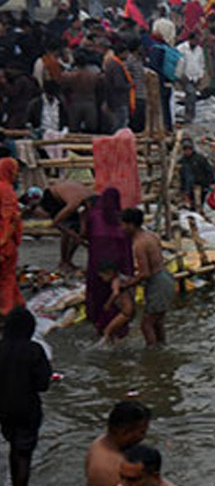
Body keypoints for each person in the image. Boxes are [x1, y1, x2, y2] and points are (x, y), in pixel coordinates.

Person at [0, 308, 52, 486]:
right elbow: (43, 385)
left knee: (13, 443)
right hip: (27, 408)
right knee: (22, 453)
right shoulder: (34, 350)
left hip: (3, 407)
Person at [83, 187, 132, 337]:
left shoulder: (93, 216)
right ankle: (115, 331)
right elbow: (126, 247)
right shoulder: (121, 220)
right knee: (117, 300)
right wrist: (128, 271)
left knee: (98, 296)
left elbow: (86, 235)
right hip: (116, 268)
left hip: (97, 266)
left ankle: (100, 327)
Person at [121, 208, 172, 347]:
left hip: (157, 282)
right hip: (165, 277)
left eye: (123, 224)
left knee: (146, 324)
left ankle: (153, 354)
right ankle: (162, 346)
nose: (122, 228)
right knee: (158, 320)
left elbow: (145, 273)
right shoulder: (151, 235)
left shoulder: (139, 244)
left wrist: (127, 284)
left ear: (131, 225)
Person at [22, 179, 93, 272]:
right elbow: (58, 223)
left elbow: (83, 221)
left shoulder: (89, 199)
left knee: (76, 230)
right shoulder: (75, 202)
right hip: (55, 198)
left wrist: (81, 236)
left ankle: (68, 261)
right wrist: (80, 239)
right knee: (67, 230)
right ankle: (64, 262)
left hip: (64, 197)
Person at [85, 401, 152, 486]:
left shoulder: (100, 441)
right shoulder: (110, 470)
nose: (144, 436)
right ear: (124, 432)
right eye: (142, 432)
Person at [0, 158, 24, 316]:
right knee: (6, 277)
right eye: (14, 171)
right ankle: (7, 311)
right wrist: (3, 241)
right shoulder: (6, 190)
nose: (17, 175)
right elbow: (10, 219)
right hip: (4, 242)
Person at [97, 260, 134, 345]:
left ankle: (99, 347)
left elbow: (115, 293)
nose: (103, 280)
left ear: (110, 273)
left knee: (107, 330)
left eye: (103, 277)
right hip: (130, 310)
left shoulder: (115, 281)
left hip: (125, 312)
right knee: (115, 331)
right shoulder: (124, 278)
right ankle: (116, 347)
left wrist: (108, 304)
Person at [179, 139, 215, 215]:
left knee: (199, 204)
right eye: (185, 150)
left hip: (200, 185)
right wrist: (183, 188)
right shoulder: (183, 161)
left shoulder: (199, 159)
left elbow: (208, 170)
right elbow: (182, 175)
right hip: (189, 186)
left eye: (189, 149)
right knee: (191, 204)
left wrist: (210, 182)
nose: (187, 152)